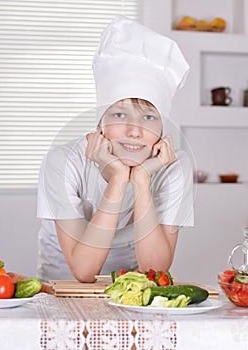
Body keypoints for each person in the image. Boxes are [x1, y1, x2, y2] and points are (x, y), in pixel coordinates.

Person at [36, 15, 194, 283]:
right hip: (62, 291)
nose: (134, 131)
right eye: (120, 115)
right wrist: (119, 180)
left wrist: (142, 180)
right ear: (100, 124)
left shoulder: (173, 167)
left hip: (132, 293)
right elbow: (84, 271)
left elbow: (155, 271)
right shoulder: (62, 162)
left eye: (148, 117)